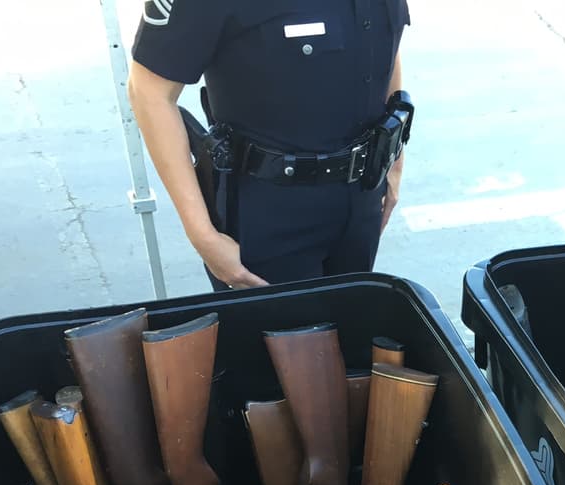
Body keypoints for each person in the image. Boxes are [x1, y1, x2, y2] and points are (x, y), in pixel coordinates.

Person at [128, 0, 412, 290]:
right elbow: (149, 92)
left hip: (363, 196)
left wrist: (394, 159)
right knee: (280, 335)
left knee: (354, 331)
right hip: (267, 214)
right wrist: (203, 235)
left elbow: (384, 37)